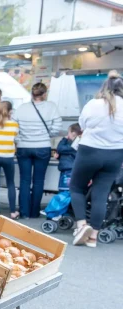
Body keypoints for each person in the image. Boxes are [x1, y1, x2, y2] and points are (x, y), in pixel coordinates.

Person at [70, 71, 123, 247]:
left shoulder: (94, 104)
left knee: (76, 187)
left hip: (90, 151)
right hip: (115, 154)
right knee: (101, 193)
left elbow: (83, 124)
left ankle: (81, 225)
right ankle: (93, 237)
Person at [13, 82, 62, 218]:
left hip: (23, 147)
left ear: (32, 94)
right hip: (42, 147)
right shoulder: (51, 107)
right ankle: (34, 212)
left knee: (24, 181)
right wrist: (46, 135)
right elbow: (57, 127)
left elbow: (14, 128)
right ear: (44, 94)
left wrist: (20, 138)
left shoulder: (22, 108)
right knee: (39, 181)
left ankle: (24, 213)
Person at [55, 123, 81, 191]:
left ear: (73, 133)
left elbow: (60, 148)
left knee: (65, 190)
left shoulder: (75, 144)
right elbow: (67, 155)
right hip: (70, 169)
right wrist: (59, 157)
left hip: (68, 170)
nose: (67, 135)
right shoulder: (72, 144)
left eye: (68, 132)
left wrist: (63, 139)